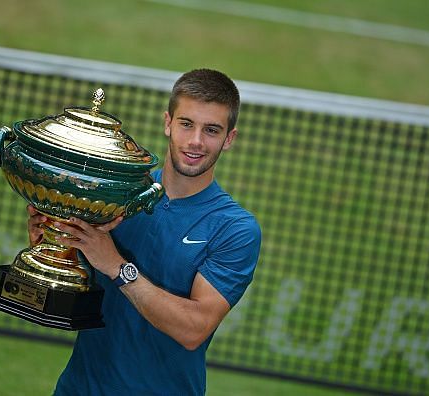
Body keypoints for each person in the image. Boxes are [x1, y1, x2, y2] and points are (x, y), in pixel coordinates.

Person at [27, 68, 262, 395]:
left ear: (229, 139)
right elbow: (72, 298)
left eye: (211, 130)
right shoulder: (114, 194)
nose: (195, 141)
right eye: (186, 124)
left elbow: (194, 329)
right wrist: (52, 242)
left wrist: (116, 266)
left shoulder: (235, 229)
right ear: (168, 123)